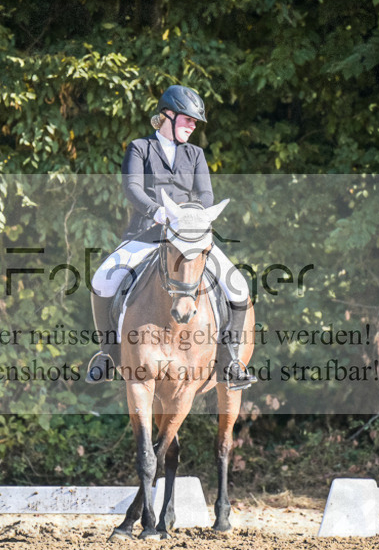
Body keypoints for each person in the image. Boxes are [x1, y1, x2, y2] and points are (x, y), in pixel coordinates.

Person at [85, 84, 256, 390]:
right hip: (146, 234)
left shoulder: (195, 154)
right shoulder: (139, 148)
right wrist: (157, 212)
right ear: (168, 115)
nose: (193, 126)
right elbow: (132, 189)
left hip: (188, 239)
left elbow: (206, 194)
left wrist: (192, 220)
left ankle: (230, 361)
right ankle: (108, 354)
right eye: (188, 119)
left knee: (239, 288)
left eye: (194, 122)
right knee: (101, 280)